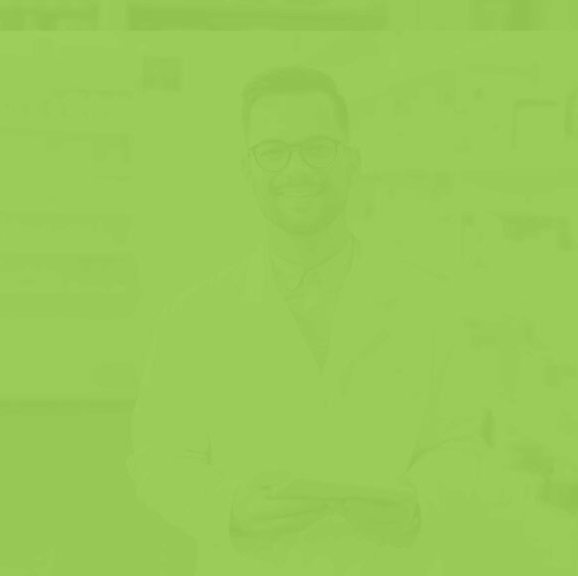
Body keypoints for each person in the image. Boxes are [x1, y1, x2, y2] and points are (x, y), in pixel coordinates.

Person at [128, 67, 484, 576]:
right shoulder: (195, 316)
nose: (296, 169)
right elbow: (157, 458)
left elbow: (462, 444)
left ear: (352, 162)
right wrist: (228, 508)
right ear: (247, 170)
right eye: (272, 151)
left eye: (318, 147)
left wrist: (419, 505)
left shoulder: (428, 305)